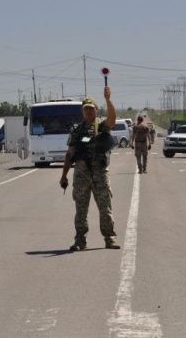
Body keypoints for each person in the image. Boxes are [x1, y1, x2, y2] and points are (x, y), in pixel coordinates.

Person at [59, 86, 120, 251]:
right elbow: (69, 154)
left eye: (91, 109)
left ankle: (110, 238)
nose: (88, 112)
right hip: (81, 174)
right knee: (80, 209)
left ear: (96, 110)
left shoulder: (101, 126)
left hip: (99, 173)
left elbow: (113, 120)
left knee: (105, 208)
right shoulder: (77, 131)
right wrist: (64, 175)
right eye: (86, 109)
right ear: (82, 111)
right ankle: (80, 240)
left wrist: (108, 100)